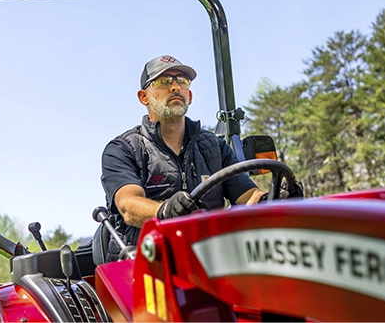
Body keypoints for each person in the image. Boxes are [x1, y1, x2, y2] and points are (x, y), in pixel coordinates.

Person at [100, 55, 266, 261]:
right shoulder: (123, 149)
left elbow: (247, 195)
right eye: (164, 81)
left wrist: (271, 199)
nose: (175, 87)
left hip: (211, 257)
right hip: (145, 262)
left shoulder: (215, 146)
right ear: (144, 97)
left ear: (190, 95)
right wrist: (165, 210)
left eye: (182, 81)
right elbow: (128, 206)